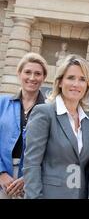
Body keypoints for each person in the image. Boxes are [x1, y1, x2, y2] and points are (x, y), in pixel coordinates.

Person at [23, 55, 89, 199]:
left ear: (87, 85)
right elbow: (32, 164)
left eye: (82, 79)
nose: (76, 84)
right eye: (71, 78)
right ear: (60, 82)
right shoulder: (44, 112)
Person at [0, 53, 48, 199]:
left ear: (44, 77)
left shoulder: (50, 109)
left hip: (34, 182)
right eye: (27, 72)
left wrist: (28, 177)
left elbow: (52, 149)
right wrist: (1, 174)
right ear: (19, 74)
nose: (32, 78)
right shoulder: (2, 103)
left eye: (38, 74)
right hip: (3, 178)